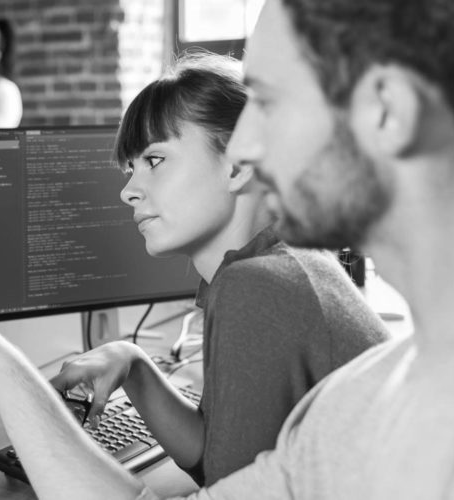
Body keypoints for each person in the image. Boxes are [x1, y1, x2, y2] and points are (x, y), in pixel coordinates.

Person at [0, 0, 454, 497]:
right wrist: (121, 363)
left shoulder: (267, 289)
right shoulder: (366, 398)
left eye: (268, 103)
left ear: (388, 110)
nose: (246, 150)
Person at [48, 53, 387, 487]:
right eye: (130, 168)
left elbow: (224, 489)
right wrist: (133, 364)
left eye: (154, 160)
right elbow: (217, 460)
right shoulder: (272, 265)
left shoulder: (258, 287)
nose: (128, 191)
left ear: (239, 164)